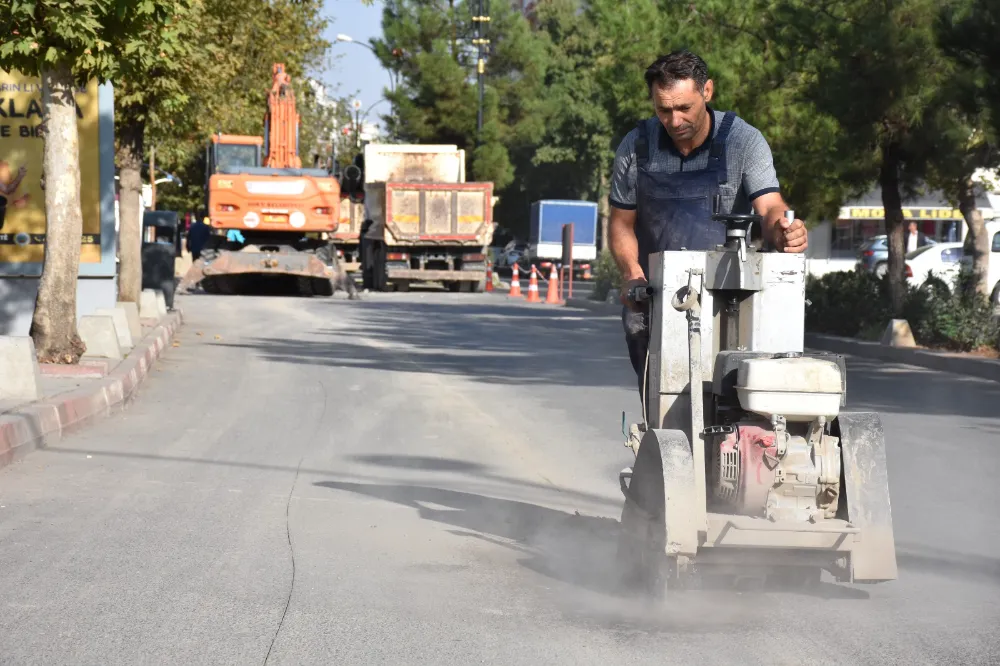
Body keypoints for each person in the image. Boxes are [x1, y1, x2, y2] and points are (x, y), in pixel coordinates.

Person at [607, 50, 808, 399]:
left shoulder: (742, 141)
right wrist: (631, 275)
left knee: (734, 396)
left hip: (729, 294)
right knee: (660, 399)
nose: (674, 119)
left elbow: (771, 206)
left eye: (684, 108)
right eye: (663, 110)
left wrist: (785, 232)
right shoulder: (636, 147)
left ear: (708, 91)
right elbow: (622, 224)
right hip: (655, 296)